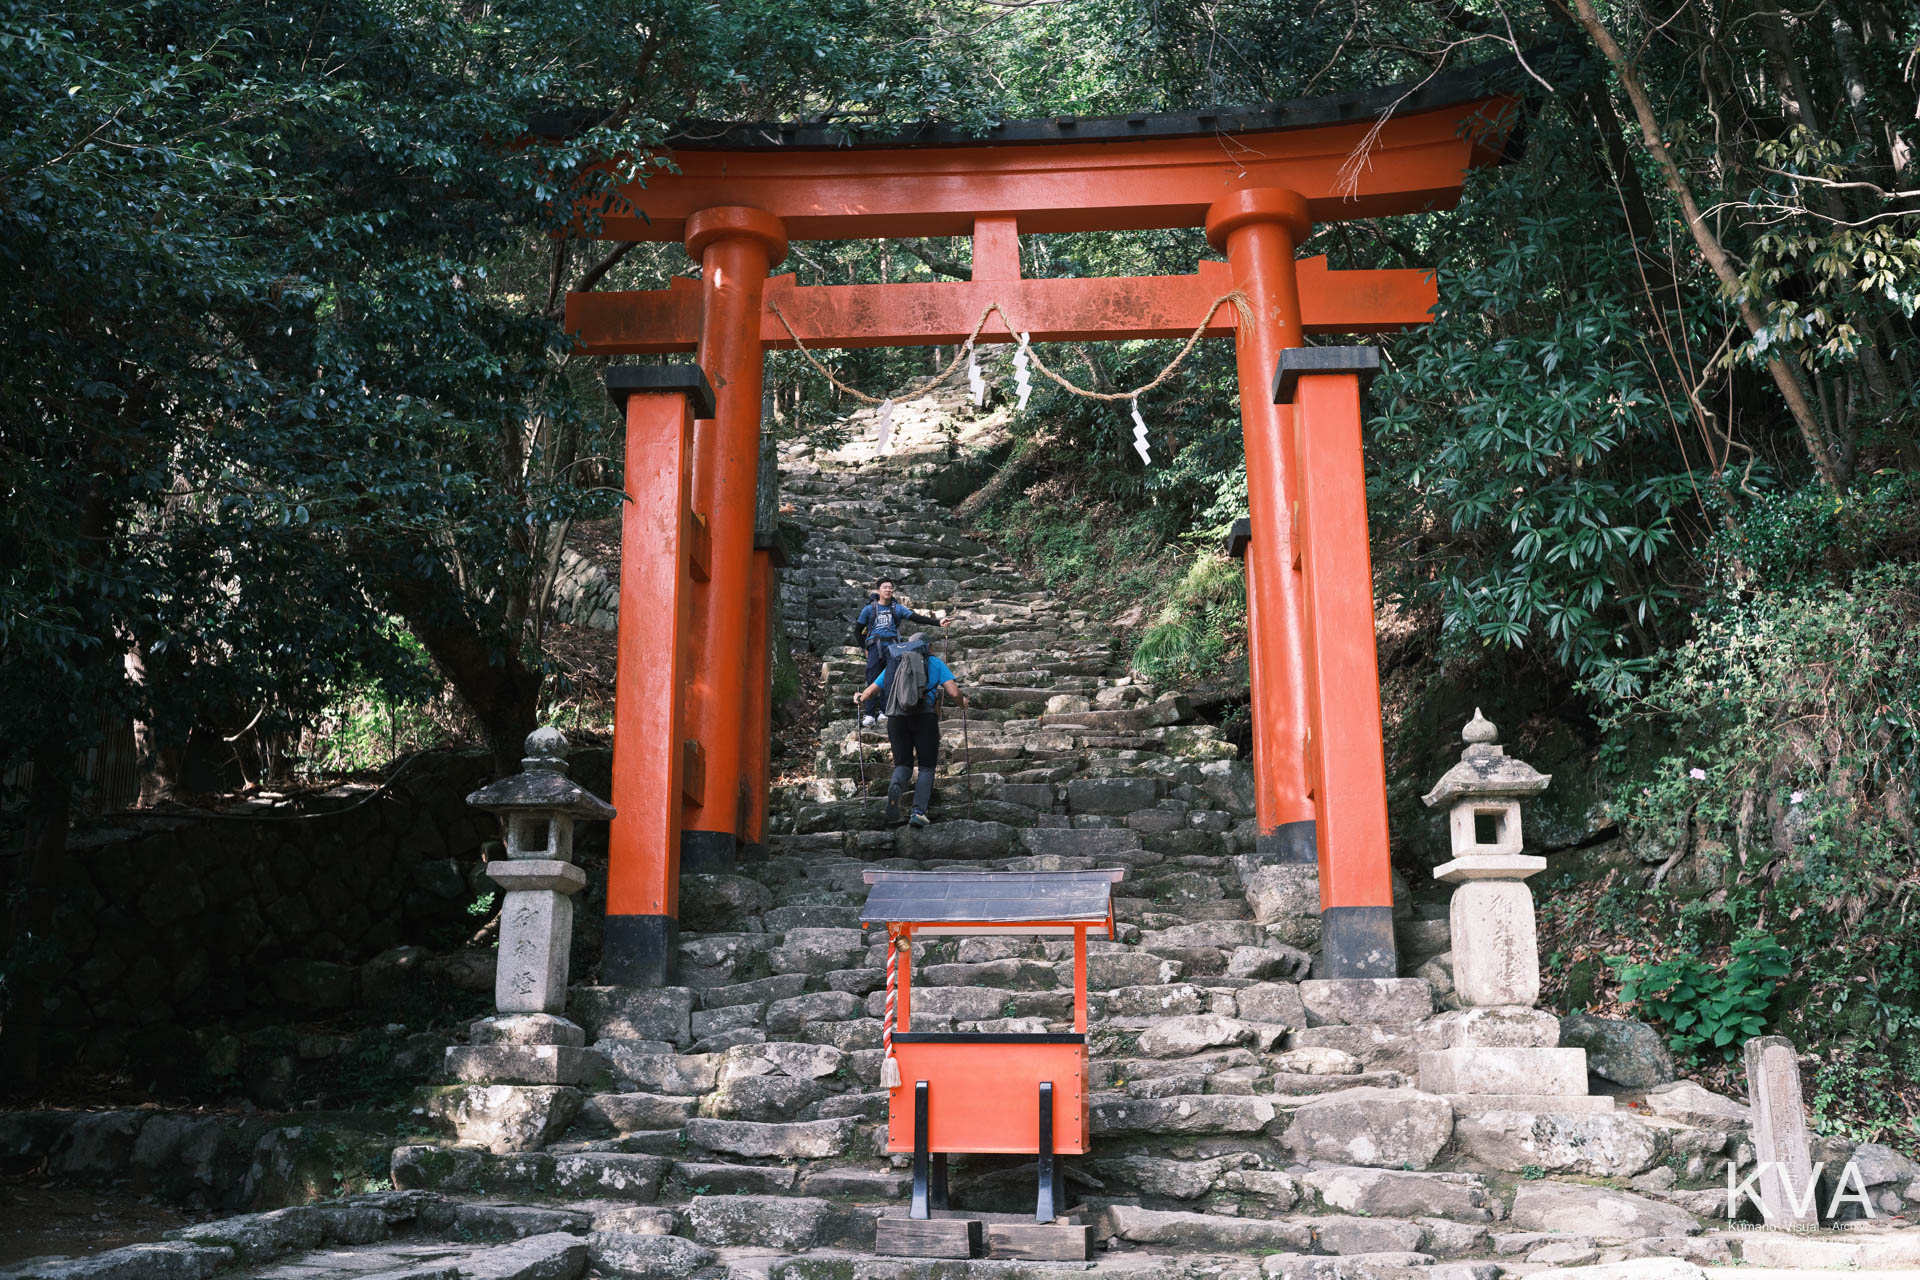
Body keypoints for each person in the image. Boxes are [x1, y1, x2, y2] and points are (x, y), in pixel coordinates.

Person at [854, 633, 965, 827]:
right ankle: (918, 812)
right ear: (929, 647)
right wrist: (963, 703)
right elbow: (954, 692)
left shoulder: (895, 663)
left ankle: (896, 786)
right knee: (926, 767)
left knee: (903, 765)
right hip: (924, 718)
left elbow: (871, 691)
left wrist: (859, 698)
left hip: (896, 719)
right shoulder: (935, 662)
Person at [850, 578, 941, 726]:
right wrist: (865, 648)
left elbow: (916, 617)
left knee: (891, 678)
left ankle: (884, 710)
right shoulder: (869, 609)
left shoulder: (897, 608)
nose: (888, 590)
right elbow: (857, 631)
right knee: (873, 677)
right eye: (885, 587)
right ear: (878, 590)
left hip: (893, 648)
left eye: (890, 588)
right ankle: (869, 713)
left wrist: (938, 622)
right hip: (874, 646)